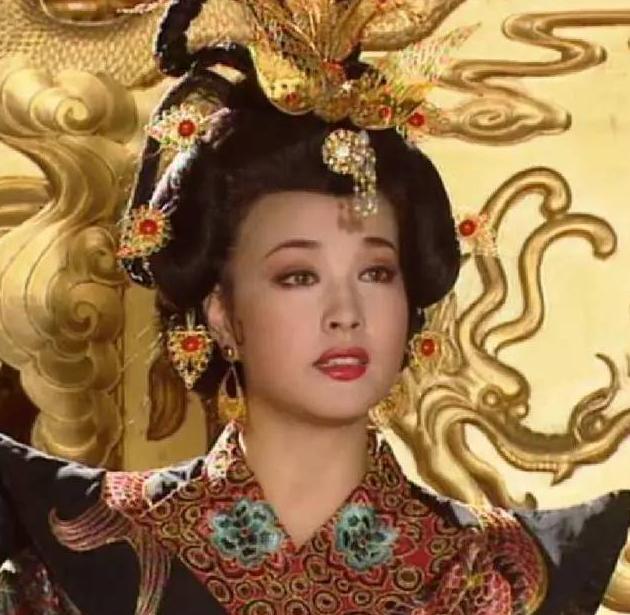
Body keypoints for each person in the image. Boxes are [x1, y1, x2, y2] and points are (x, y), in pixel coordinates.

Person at [1, 1, 629, 614]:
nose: (346, 312)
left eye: (376, 273)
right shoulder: (92, 559)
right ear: (222, 315)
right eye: (298, 276)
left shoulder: (498, 574)